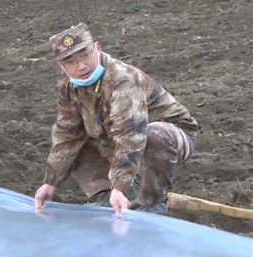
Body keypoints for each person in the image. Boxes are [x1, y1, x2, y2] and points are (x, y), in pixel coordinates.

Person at [34, 23, 199, 216]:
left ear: (98, 48)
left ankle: (154, 202)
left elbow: (131, 135)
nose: (81, 66)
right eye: (70, 61)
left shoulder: (121, 80)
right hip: (113, 136)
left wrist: (120, 186)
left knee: (155, 135)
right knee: (76, 145)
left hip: (172, 136)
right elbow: (67, 133)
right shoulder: (68, 85)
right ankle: (109, 197)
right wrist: (50, 182)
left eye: (85, 55)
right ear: (61, 65)